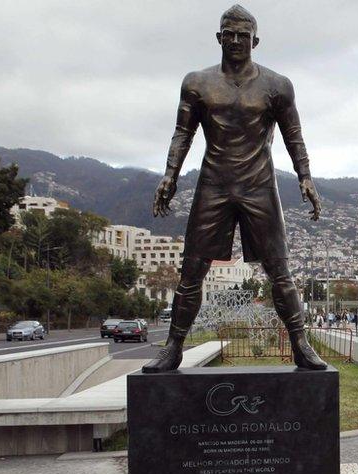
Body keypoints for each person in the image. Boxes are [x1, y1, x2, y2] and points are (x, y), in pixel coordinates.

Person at [144, 4, 326, 372]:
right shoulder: (197, 82)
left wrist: (305, 176)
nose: (237, 41)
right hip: (214, 183)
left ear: (255, 40)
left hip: (259, 184)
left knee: (279, 269)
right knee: (191, 270)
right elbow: (183, 132)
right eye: (230, 34)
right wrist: (169, 174)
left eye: (244, 35)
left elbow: (294, 135)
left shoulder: (277, 86)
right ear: (219, 38)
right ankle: (173, 347)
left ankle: (301, 344)